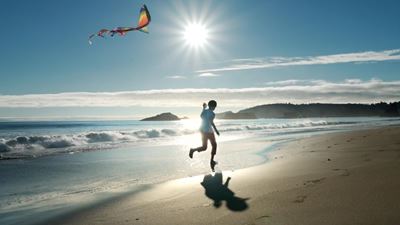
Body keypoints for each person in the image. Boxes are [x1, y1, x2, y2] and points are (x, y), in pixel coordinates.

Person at [189, 100, 220, 171]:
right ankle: (212, 161)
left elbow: (201, 116)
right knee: (214, 145)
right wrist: (216, 130)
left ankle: (193, 150)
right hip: (209, 131)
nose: (215, 108)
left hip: (202, 131)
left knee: (204, 147)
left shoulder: (204, 111)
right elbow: (211, 122)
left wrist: (203, 108)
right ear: (213, 106)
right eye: (215, 106)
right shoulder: (212, 114)